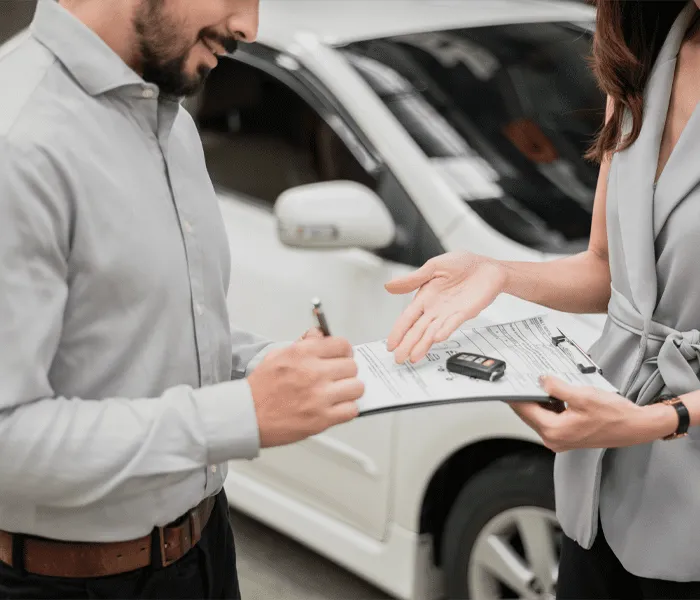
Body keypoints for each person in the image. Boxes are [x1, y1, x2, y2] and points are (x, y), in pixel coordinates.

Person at [0, 0, 364, 598]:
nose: (249, 27)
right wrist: (242, 413)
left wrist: (260, 366)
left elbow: (147, 327)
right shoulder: (18, 140)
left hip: (205, 551)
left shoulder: (171, 122)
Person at [385, 0, 700, 598]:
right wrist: (496, 271)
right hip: (601, 484)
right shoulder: (645, 63)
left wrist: (662, 419)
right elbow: (608, 271)